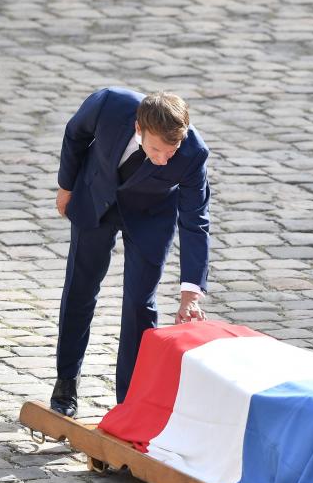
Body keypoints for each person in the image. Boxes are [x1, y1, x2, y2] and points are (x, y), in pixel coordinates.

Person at [52, 87, 210, 417]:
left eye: (172, 151)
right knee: (80, 288)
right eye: (156, 149)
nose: (164, 159)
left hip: (150, 216)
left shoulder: (193, 153)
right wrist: (66, 186)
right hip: (96, 197)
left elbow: (195, 221)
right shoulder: (109, 104)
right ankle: (66, 381)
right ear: (139, 128)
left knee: (140, 303)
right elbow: (75, 133)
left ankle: (131, 402)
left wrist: (190, 294)